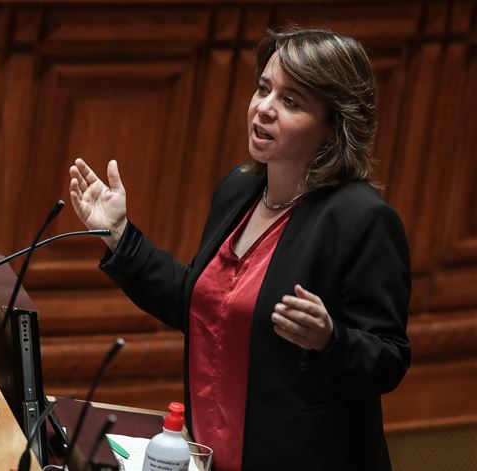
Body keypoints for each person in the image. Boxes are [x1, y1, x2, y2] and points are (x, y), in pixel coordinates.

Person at [68, 28, 410, 471]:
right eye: (264, 89)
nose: (263, 109)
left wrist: (331, 340)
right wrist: (118, 235)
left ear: (333, 125)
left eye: (291, 101)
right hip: (214, 455)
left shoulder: (361, 219)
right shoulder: (240, 189)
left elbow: (389, 359)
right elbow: (203, 306)